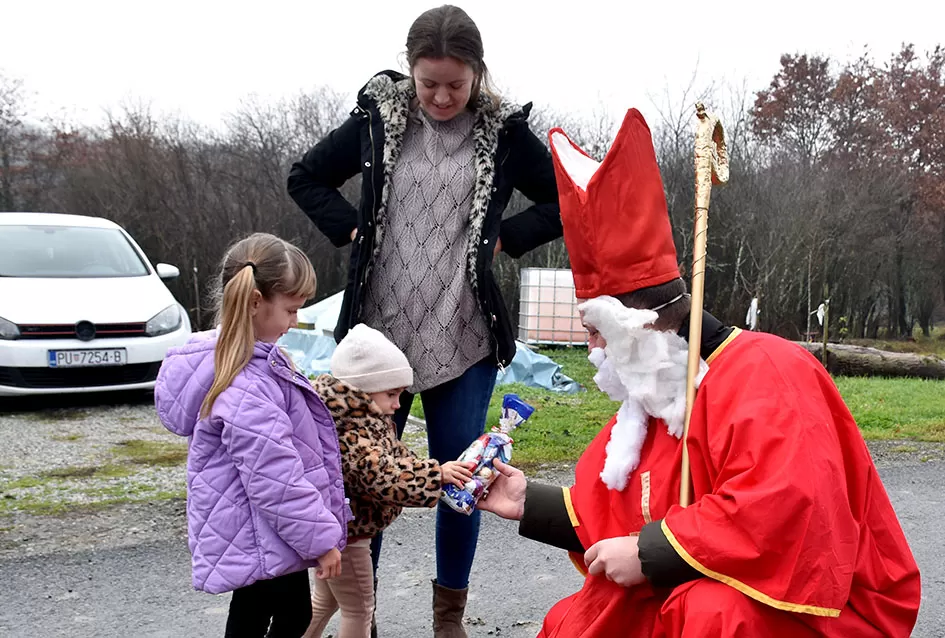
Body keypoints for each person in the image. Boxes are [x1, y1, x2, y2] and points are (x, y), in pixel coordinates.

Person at [478, 108, 922, 636]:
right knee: (585, 617)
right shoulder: (661, 387)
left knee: (709, 615)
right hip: (711, 574)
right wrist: (530, 501)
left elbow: (783, 512)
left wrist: (651, 552)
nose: (592, 350)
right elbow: (634, 501)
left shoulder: (768, 371)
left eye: (597, 333)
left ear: (640, 327)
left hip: (831, 602)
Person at [286, 4, 562, 635]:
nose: (441, 96)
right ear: (411, 71)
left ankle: (449, 619)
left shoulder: (503, 133)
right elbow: (305, 178)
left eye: (455, 85)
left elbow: (565, 201)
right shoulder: (378, 120)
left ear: (477, 76)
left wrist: (504, 236)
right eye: (428, 82)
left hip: (461, 333)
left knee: (464, 480)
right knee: (365, 482)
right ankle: (365, 617)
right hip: (377, 343)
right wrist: (353, 228)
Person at [155, 233, 349, 638]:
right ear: (256, 301)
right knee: (283, 615)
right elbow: (275, 477)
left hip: (262, 532)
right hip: (263, 531)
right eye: (292, 310)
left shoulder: (247, 365)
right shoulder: (245, 383)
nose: (295, 321)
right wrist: (320, 541)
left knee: (263, 614)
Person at [304, 324, 476, 638]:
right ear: (364, 389)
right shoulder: (353, 433)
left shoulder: (364, 418)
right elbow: (386, 480)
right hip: (350, 538)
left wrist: (430, 468)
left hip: (335, 533)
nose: (398, 404)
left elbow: (396, 454)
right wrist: (435, 478)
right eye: (392, 394)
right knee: (359, 610)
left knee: (325, 602)